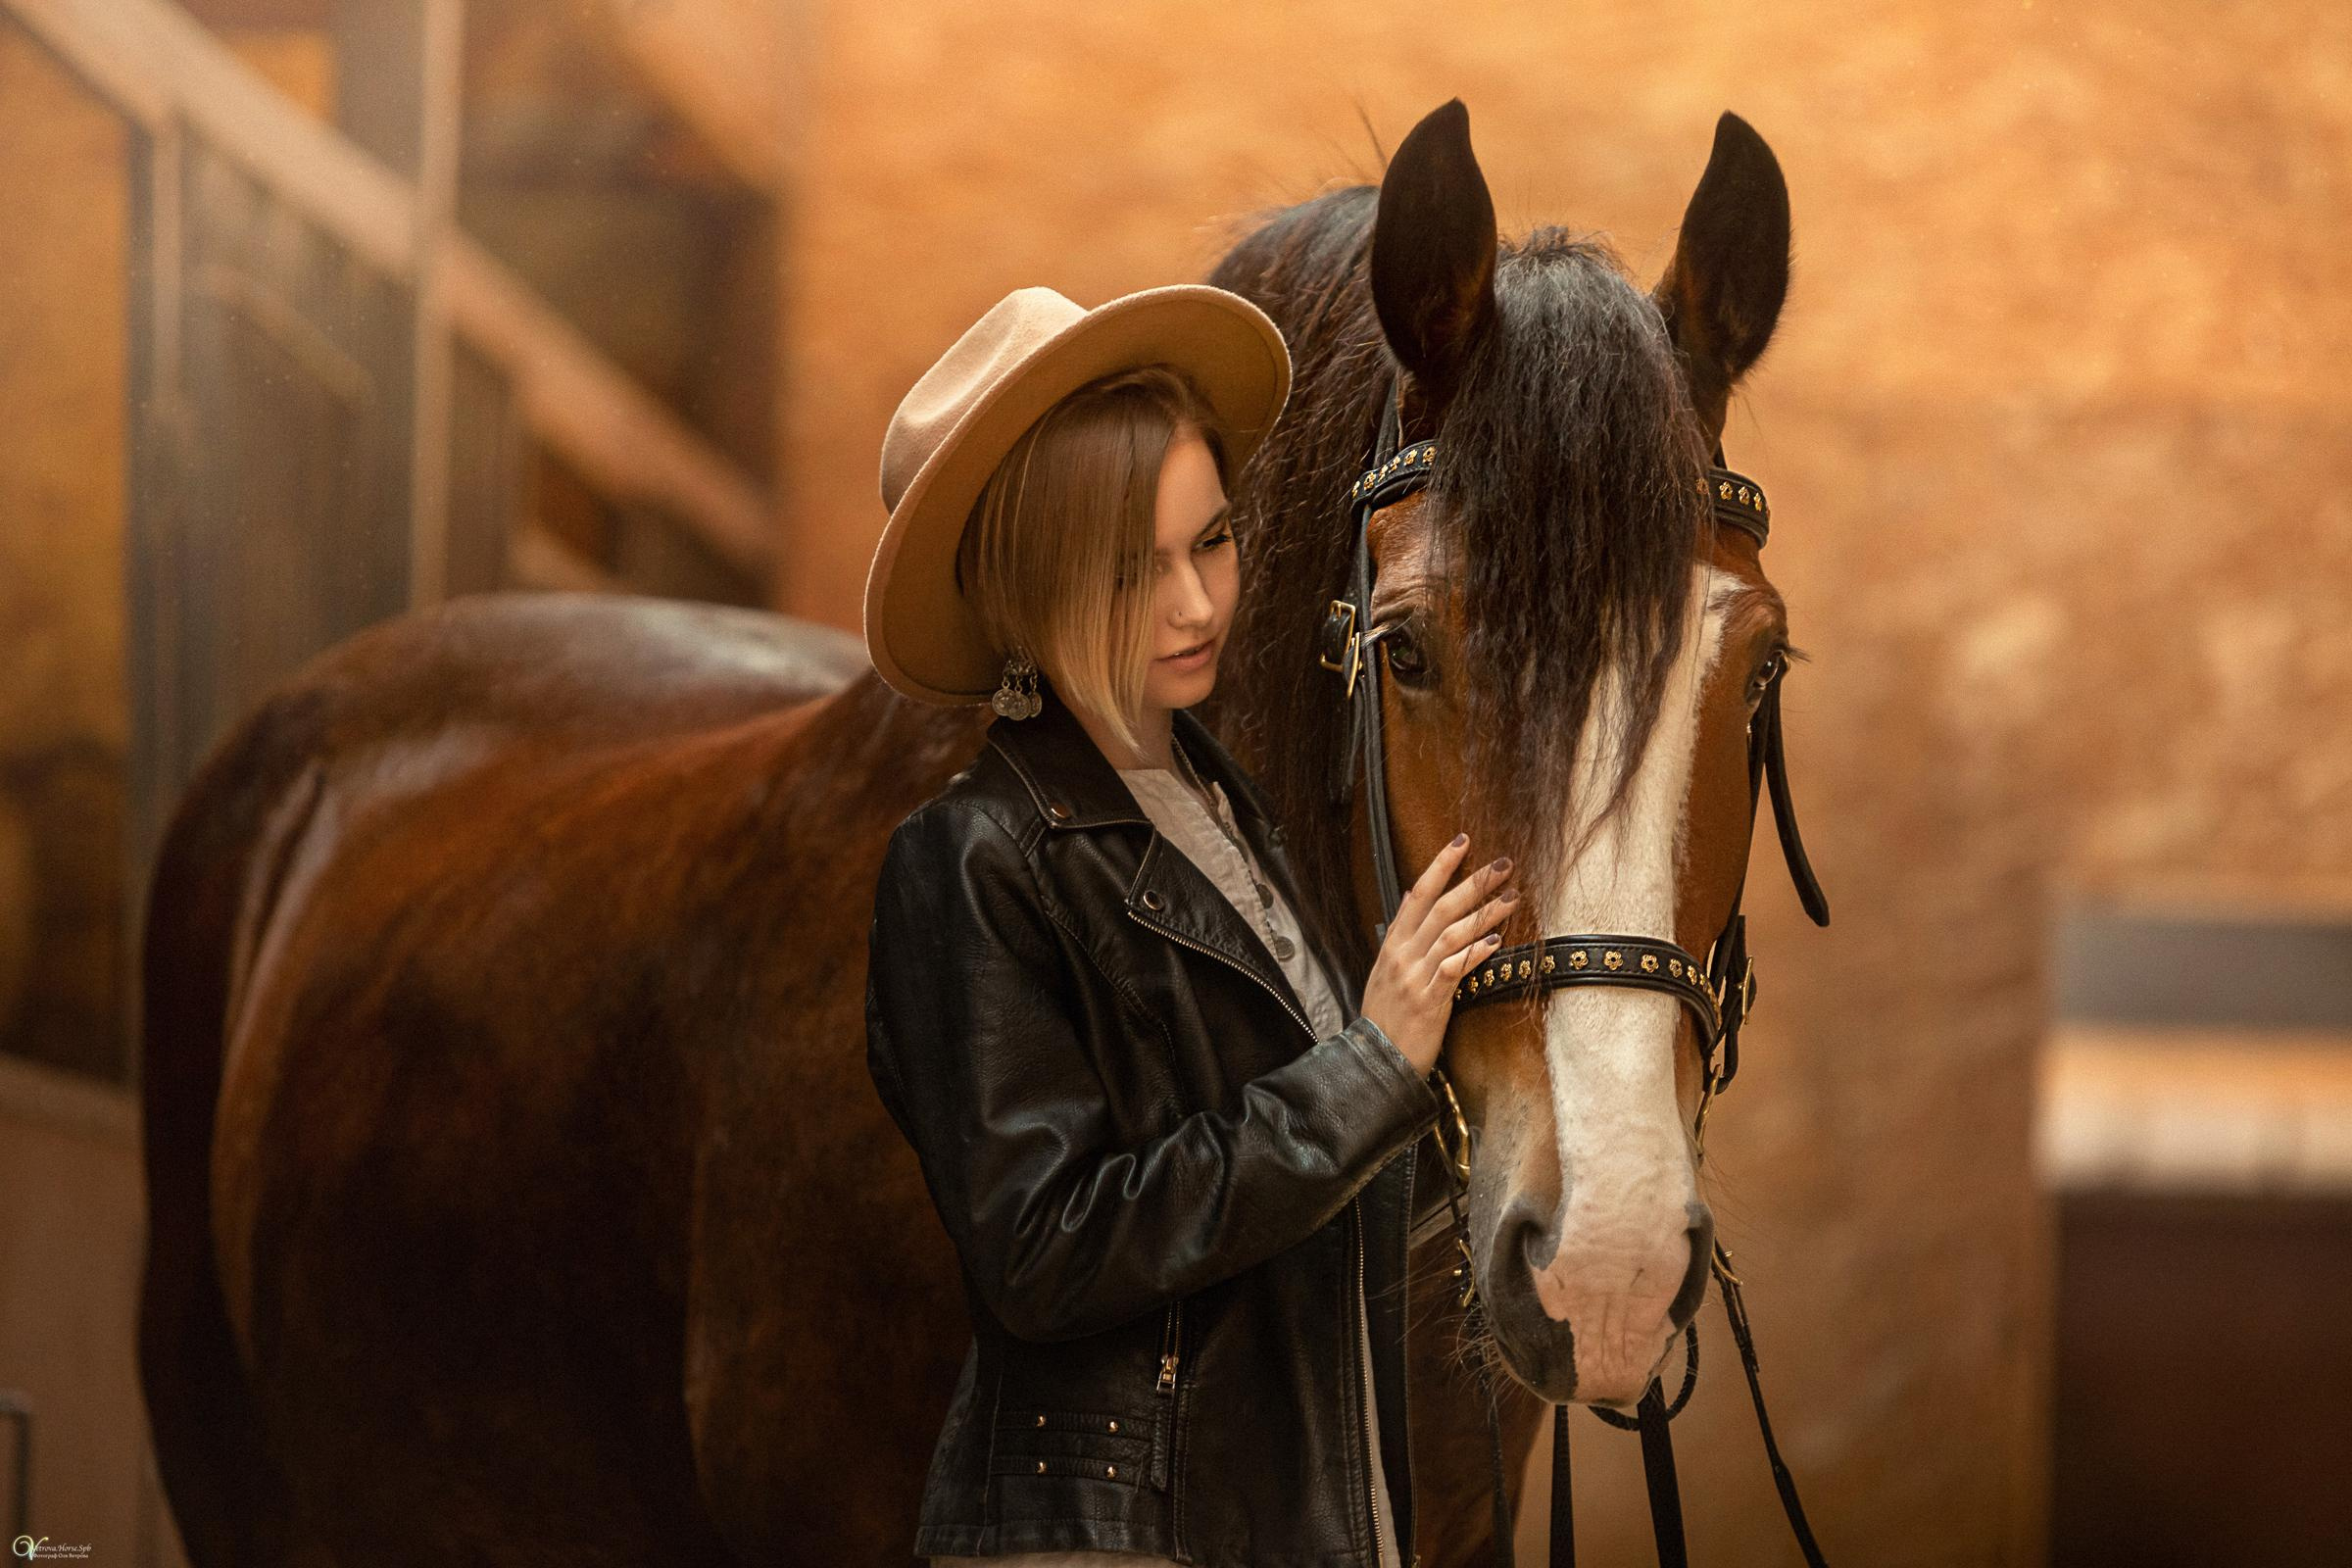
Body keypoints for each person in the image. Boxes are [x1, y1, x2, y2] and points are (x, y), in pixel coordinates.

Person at [861, 282, 1517, 1568]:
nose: (1197, 605)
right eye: (1133, 569)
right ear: (1026, 584)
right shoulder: (968, 860)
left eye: (1210, 544)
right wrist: (1368, 1070)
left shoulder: (1227, 813)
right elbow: (1043, 1254)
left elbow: (1287, 1202)